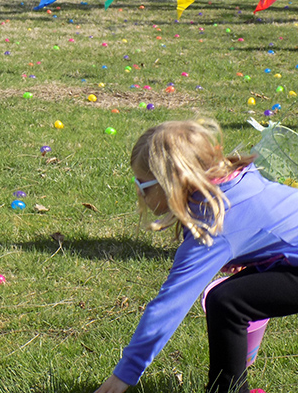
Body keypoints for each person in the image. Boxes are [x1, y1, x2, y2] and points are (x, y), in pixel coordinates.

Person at [94, 120, 298, 393]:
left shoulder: (213, 224)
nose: (139, 192)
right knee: (229, 299)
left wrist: (123, 376)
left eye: (143, 184)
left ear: (171, 182)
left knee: (228, 303)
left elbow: (170, 305)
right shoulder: (235, 179)